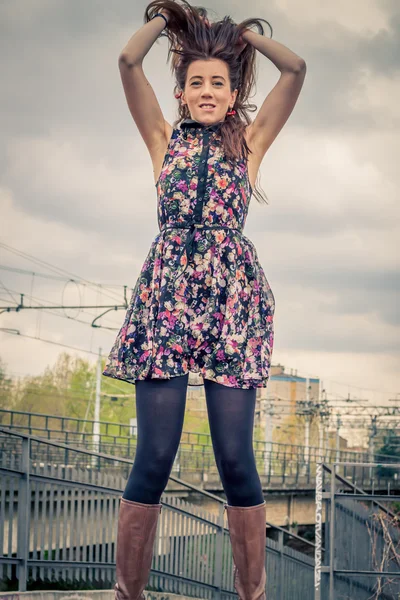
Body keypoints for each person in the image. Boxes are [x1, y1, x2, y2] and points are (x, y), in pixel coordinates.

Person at [102, 1, 306, 598]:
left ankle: (252, 593)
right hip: (167, 301)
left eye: (218, 82)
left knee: (236, 460)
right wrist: (170, 23)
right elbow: (125, 59)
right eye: (197, 82)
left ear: (232, 89)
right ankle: (127, 592)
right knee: (155, 457)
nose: (208, 90)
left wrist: (241, 37)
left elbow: (293, 71)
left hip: (231, 306)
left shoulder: (251, 142)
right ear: (184, 92)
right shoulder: (162, 141)